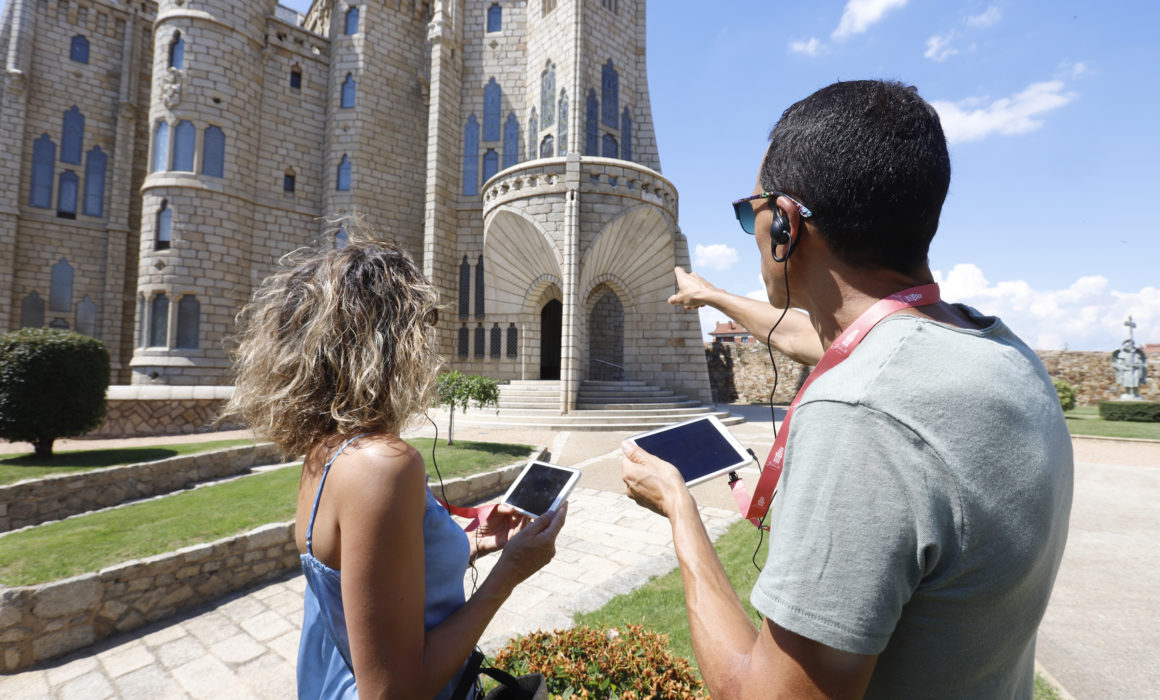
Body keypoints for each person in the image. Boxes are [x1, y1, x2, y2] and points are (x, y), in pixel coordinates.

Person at [621, 80, 1074, 698]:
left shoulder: (860, 414)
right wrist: (713, 294)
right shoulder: (1001, 352)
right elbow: (823, 341)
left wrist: (681, 511)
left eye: (747, 211)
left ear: (783, 225)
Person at [225, 234, 567, 699]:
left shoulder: (329, 450)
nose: (428, 352)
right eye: (421, 330)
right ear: (389, 343)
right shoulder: (382, 465)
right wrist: (509, 573)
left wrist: (471, 543)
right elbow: (394, 692)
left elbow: (371, 585)